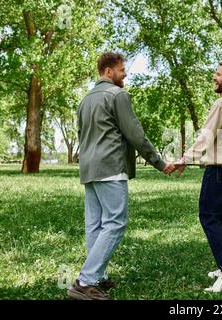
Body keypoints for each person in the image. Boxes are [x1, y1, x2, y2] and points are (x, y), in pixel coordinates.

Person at [67, 52, 176, 300]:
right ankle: (85, 281)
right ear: (108, 72)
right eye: (121, 69)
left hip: (89, 169)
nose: (125, 74)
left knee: (95, 225)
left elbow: (83, 135)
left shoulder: (85, 100)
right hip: (110, 167)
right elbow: (135, 134)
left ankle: (98, 277)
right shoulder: (118, 95)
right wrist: (159, 162)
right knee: (115, 223)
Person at [175, 61, 222, 293]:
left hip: (217, 170)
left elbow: (206, 136)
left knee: (208, 216)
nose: (214, 77)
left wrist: (185, 158)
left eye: (218, 74)